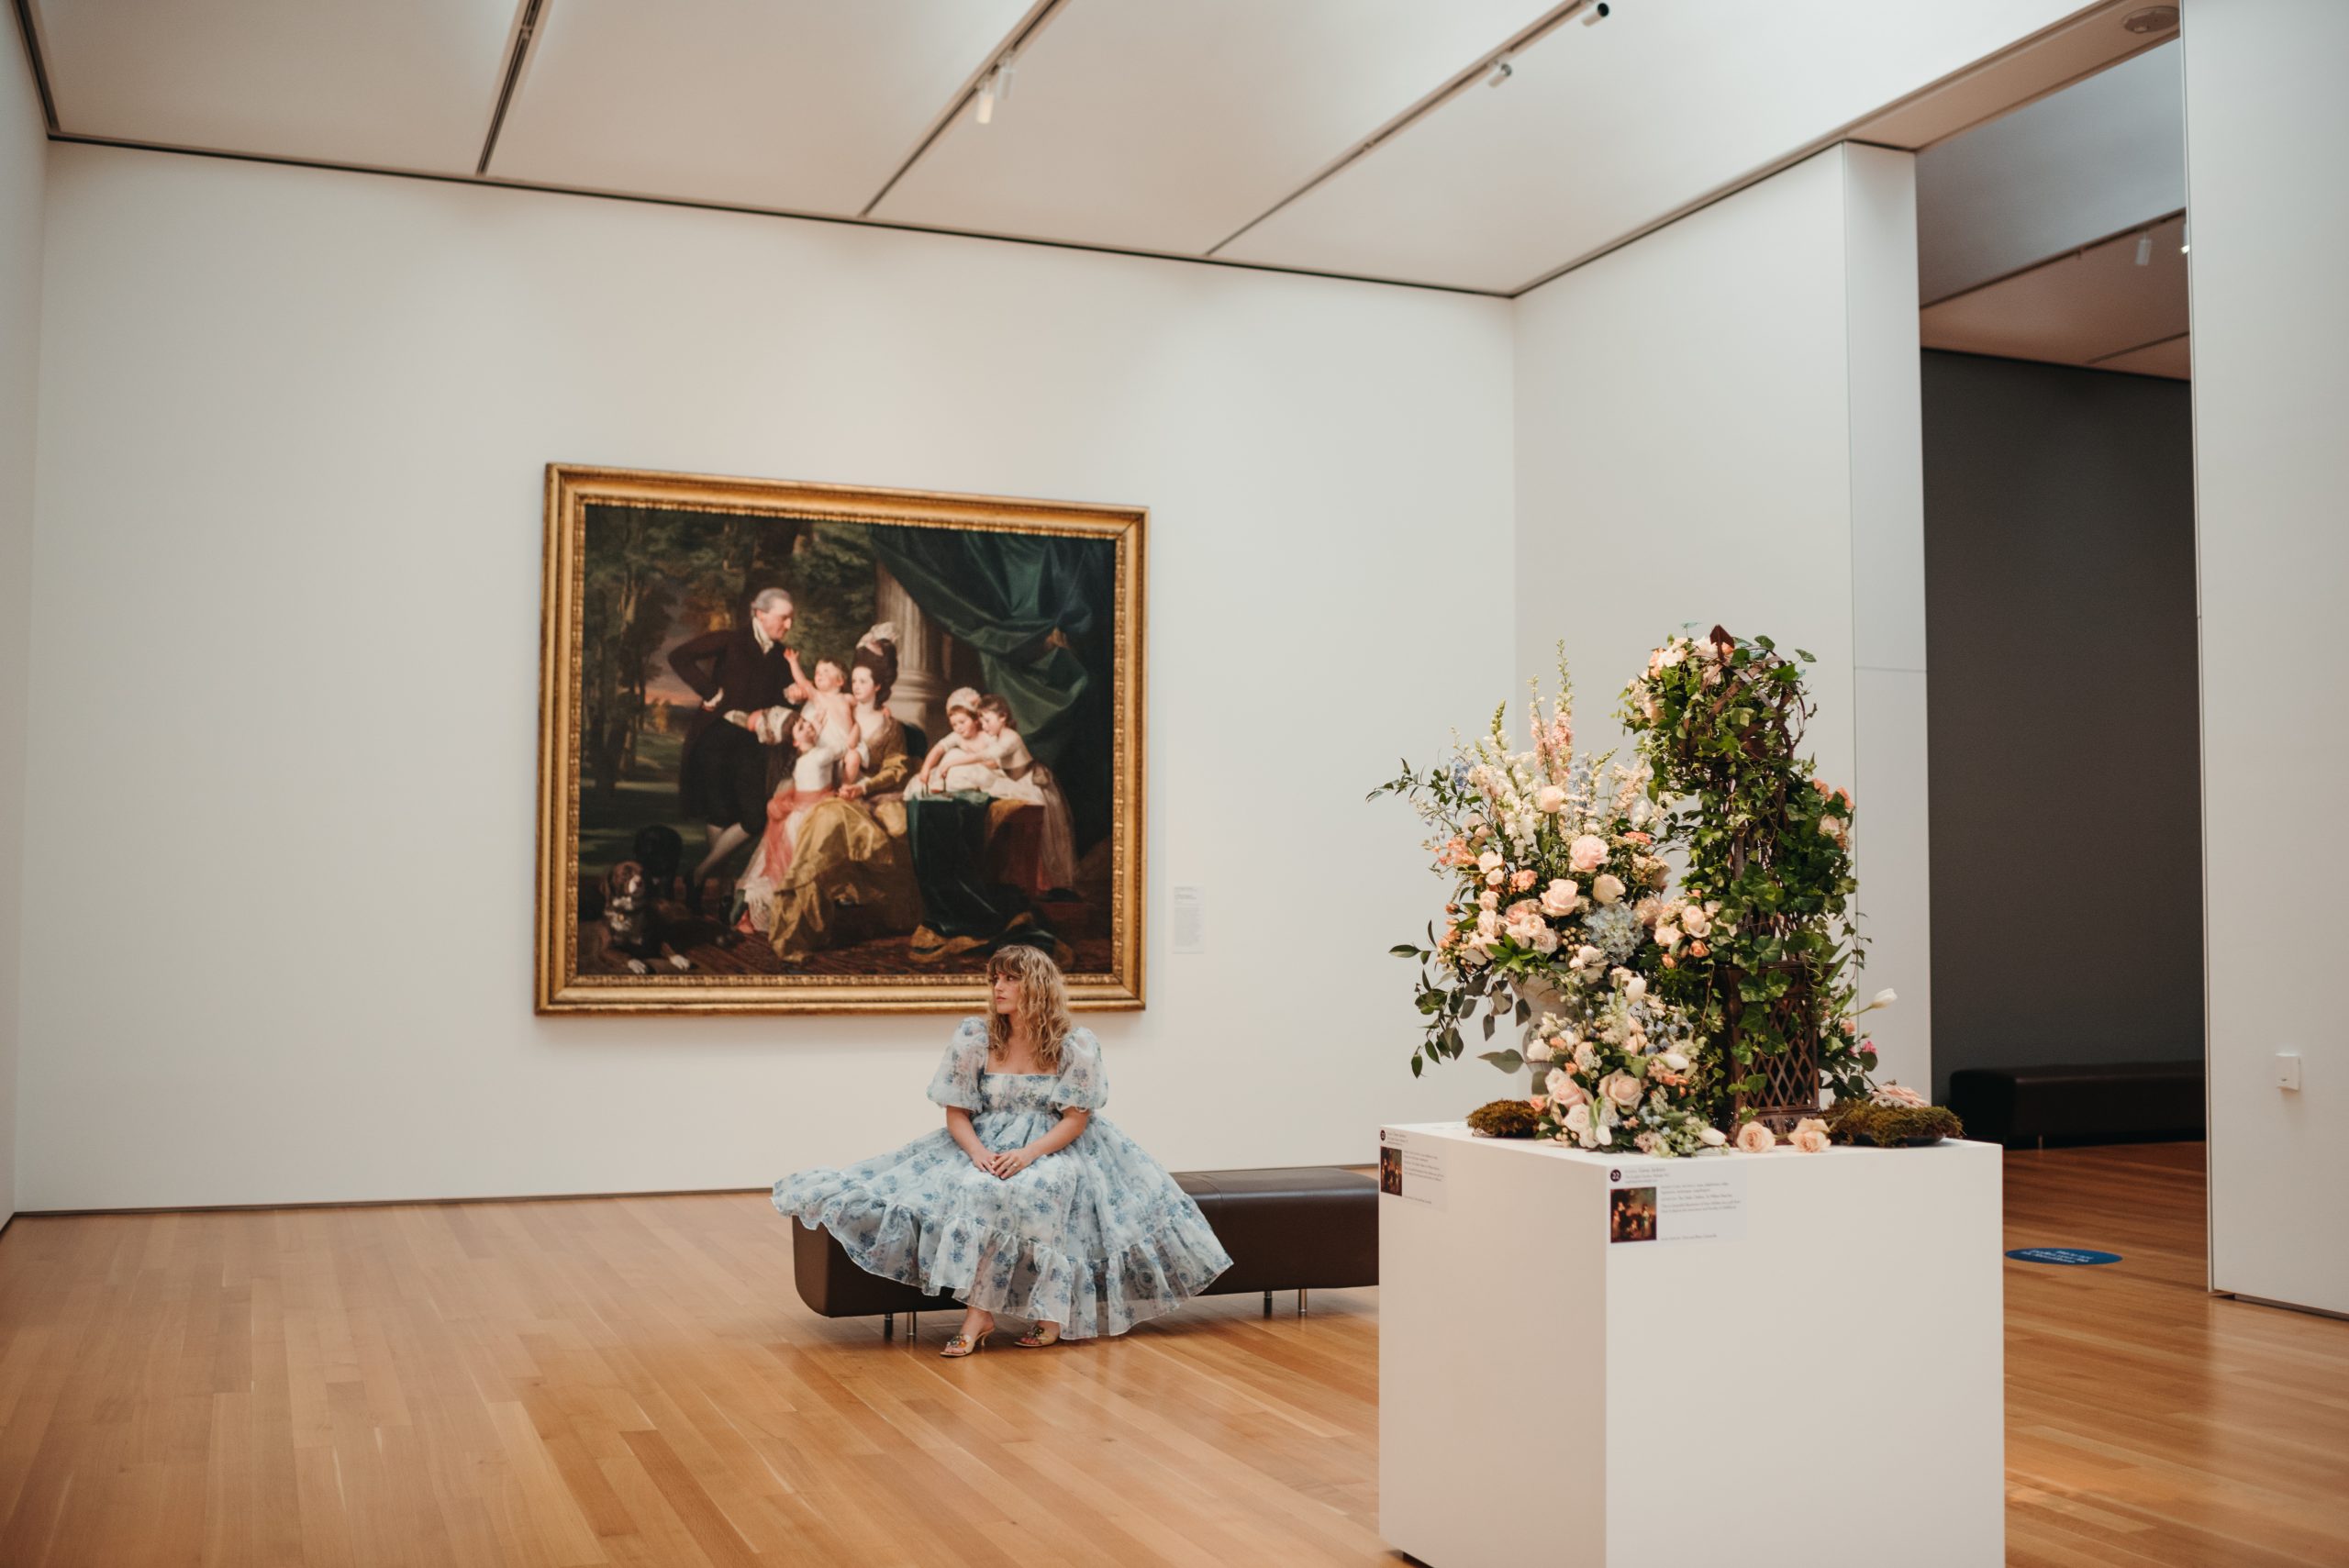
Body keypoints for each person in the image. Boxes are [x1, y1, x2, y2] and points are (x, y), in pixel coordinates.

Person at [773, 946, 1231, 1355]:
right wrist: (977, 1153)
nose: (998, 987)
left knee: (1044, 1188)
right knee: (977, 1188)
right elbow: (956, 1112)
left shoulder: (1074, 1045)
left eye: (1011, 978)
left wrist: (1029, 1155)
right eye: (995, 978)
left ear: (1038, 986)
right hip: (982, 1142)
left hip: (1055, 1146)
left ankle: (1050, 1314)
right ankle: (980, 1314)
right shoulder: (976, 1038)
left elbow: (1075, 1119)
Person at [760, 637, 924, 962]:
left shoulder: (889, 724)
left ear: (878, 687)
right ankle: (796, 930)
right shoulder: (837, 710)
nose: (857, 686)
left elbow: (897, 768)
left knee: (890, 830)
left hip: (875, 797)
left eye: (864, 681)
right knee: (821, 829)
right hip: (835, 795)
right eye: (855, 680)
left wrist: (864, 787)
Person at [667, 588, 812, 909]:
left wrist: (790, 695)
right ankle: (725, 889)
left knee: (755, 817)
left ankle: (698, 874)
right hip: (716, 738)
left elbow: (777, 702)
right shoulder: (731, 640)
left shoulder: (782, 656)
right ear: (760, 613)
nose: (788, 625)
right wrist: (709, 691)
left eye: (790, 618)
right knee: (719, 813)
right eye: (783, 617)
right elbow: (679, 657)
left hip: (752, 745)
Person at [733, 712, 845, 935]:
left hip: (800, 816)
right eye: (801, 727)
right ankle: (773, 907)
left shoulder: (802, 760)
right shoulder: (817, 756)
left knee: (792, 867)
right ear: (794, 742)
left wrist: (814, 730)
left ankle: (756, 901)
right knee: (800, 867)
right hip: (810, 817)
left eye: (806, 722)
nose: (808, 726)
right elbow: (843, 747)